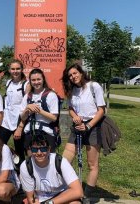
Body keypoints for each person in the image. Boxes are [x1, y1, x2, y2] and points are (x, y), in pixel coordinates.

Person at [62, 63, 106, 201]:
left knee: (92, 164)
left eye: (75, 73)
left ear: (81, 73)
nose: (73, 77)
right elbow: (70, 108)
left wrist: (88, 126)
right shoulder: (71, 90)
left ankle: (86, 195)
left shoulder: (94, 86)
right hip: (77, 127)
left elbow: (101, 110)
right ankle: (71, 188)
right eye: (70, 75)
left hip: (93, 127)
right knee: (64, 161)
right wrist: (74, 116)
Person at [19, 133, 83, 204]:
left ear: (49, 149)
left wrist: (50, 203)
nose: (39, 153)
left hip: (62, 197)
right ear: (30, 150)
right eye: (34, 150)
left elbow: (78, 191)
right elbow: (30, 198)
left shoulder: (60, 162)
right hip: (40, 200)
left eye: (43, 149)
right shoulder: (26, 166)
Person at [20, 68, 59, 153]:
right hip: (30, 131)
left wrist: (39, 110)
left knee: (48, 160)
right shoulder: (27, 97)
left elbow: (54, 117)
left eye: (38, 79)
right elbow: (22, 118)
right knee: (31, 160)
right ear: (30, 81)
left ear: (43, 79)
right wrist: (27, 109)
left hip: (47, 132)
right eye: (33, 80)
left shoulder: (51, 95)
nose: (36, 82)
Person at [0, 59, 28, 167]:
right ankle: (12, 156)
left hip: (19, 122)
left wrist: (20, 127)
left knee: (20, 150)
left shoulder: (26, 84)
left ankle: (22, 175)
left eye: (18, 69)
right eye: (13, 69)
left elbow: (27, 108)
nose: (15, 71)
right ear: (9, 70)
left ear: (22, 69)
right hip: (6, 121)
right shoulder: (8, 82)